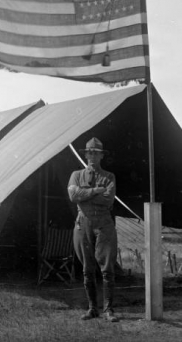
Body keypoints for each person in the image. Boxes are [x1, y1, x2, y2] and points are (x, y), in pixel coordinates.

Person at [68, 137, 119, 322]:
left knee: (107, 268)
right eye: (89, 152)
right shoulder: (76, 174)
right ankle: (92, 308)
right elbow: (73, 196)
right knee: (87, 269)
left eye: (96, 153)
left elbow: (108, 199)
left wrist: (85, 195)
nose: (92, 156)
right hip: (83, 223)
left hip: (104, 223)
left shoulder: (109, 176)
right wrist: (95, 191)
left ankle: (108, 309)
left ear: (101, 156)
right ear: (85, 154)